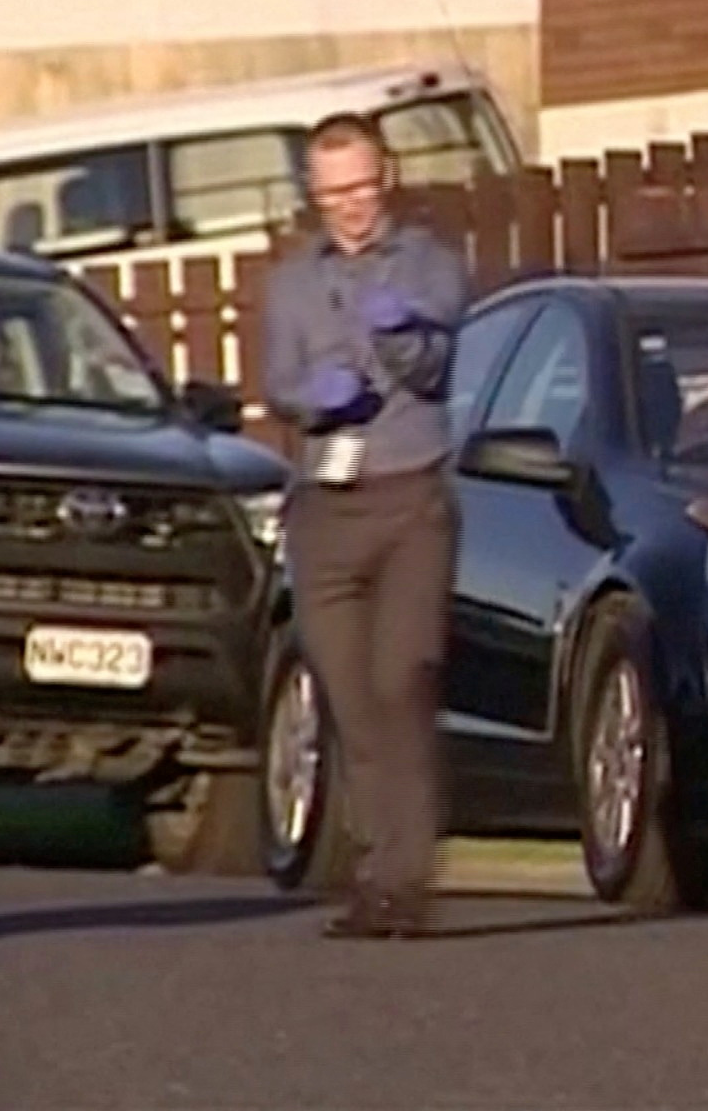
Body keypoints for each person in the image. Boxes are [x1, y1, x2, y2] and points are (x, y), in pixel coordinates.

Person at [262, 114, 469, 939]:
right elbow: (277, 384)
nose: (350, 206)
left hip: (409, 498)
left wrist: (403, 337)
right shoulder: (290, 282)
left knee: (403, 681)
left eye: (362, 186)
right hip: (327, 507)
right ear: (313, 194)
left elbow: (439, 364)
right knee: (348, 695)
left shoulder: (428, 263)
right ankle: (375, 867)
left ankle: (407, 881)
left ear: (387, 176)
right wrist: (312, 394)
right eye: (333, 192)